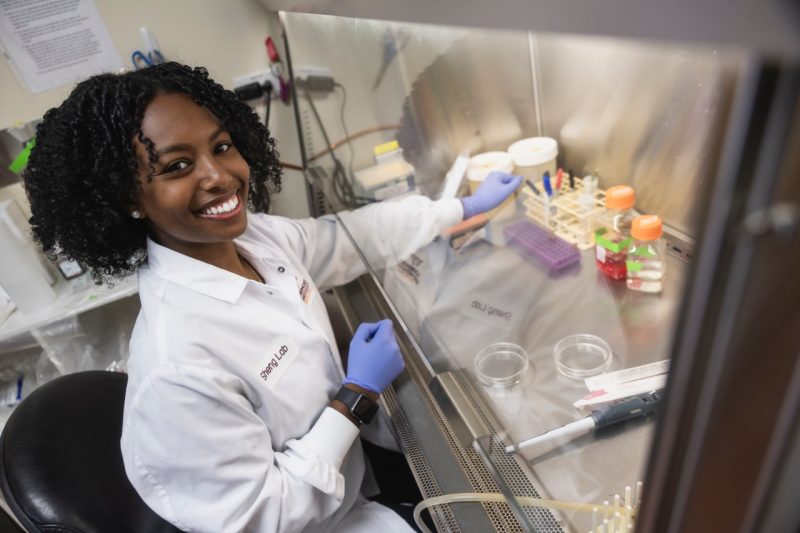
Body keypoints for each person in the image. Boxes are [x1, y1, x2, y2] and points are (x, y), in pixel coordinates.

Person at [23, 62, 521, 532]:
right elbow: (263, 515)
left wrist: (456, 209)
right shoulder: (178, 364)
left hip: (353, 478)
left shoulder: (253, 240)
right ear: (129, 198)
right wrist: (356, 396)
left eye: (220, 147)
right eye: (177, 166)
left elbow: (348, 238)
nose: (218, 176)